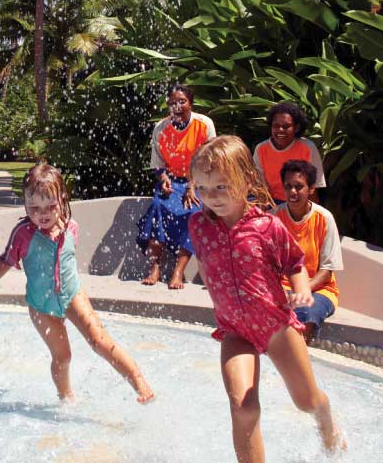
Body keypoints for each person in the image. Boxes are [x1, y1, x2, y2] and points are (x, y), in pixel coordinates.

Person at [186, 135, 344, 460]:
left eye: (220, 187)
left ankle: (327, 422)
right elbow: (205, 261)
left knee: (306, 400)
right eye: (202, 188)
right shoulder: (198, 226)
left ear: (245, 180)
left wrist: (301, 288)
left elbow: (294, 261)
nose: (211, 197)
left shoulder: (266, 226)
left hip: (276, 326)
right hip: (235, 331)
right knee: (243, 408)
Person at [0, 163, 155, 404]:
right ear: (24, 202)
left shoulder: (69, 226)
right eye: (34, 207)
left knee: (99, 341)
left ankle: (139, 382)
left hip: (72, 295)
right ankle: (66, 399)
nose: (42, 214)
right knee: (63, 357)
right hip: (41, 305)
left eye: (50, 206)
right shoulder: (23, 234)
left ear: (63, 199)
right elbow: (4, 261)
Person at [144, 83, 215, 289]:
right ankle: (155, 267)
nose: (177, 106)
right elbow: (157, 163)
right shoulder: (161, 127)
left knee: (193, 213)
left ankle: (178, 271)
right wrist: (164, 178)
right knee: (157, 209)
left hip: (199, 180)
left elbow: (210, 160)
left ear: (191, 103)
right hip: (172, 181)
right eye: (172, 102)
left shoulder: (204, 124)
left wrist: (192, 185)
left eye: (182, 101)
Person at [277, 160, 343, 342]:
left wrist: (301, 291)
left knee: (305, 312)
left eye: (299, 187)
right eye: (288, 186)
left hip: (319, 290)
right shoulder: (275, 217)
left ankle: (300, 362)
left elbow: (327, 271)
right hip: (283, 288)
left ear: (312, 189)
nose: (292, 192)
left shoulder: (324, 218)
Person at [253, 102, 327, 204]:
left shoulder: (308, 148)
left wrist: (311, 215)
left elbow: (313, 189)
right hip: (272, 203)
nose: (280, 130)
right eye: (276, 126)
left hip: (300, 202)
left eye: (286, 126)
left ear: (296, 128)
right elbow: (261, 188)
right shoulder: (261, 149)